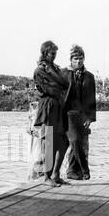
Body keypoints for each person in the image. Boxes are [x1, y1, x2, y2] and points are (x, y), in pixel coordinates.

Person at [33, 40, 69, 187]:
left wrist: (59, 86)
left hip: (58, 106)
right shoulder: (40, 70)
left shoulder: (53, 68)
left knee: (62, 142)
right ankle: (47, 176)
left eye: (55, 53)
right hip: (48, 106)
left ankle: (55, 174)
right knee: (49, 142)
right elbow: (49, 89)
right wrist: (58, 86)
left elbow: (64, 84)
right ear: (45, 53)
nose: (54, 56)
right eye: (52, 53)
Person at [62, 44, 97, 180]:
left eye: (81, 58)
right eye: (75, 59)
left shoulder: (89, 76)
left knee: (79, 142)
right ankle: (84, 169)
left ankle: (72, 171)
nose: (78, 61)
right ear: (71, 59)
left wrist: (90, 117)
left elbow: (92, 98)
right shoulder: (63, 73)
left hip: (82, 115)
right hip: (68, 113)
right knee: (75, 140)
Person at [27, 101, 44, 180]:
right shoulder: (33, 109)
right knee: (35, 156)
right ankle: (35, 175)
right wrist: (29, 127)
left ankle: (37, 175)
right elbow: (30, 120)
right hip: (35, 134)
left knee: (38, 156)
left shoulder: (38, 108)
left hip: (39, 133)